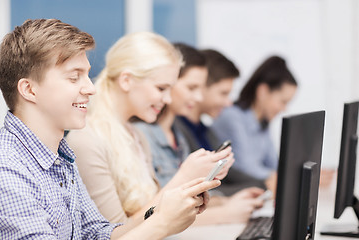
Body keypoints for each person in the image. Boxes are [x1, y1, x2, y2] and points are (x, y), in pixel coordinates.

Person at [0, 19, 221, 239]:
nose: (90, 88)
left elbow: (98, 233)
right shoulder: (0, 167)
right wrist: (162, 224)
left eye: (86, 76)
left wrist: (164, 211)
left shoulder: (61, 157)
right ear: (29, 90)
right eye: (74, 77)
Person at [66, 32, 233, 226]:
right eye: (161, 89)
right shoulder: (87, 141)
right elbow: (114, 233)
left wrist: (197, 181)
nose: (168, 99)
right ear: (126, 80)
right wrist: (184, 177)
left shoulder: (137, 137)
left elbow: (151, 213)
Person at [134, 43, 264, 225]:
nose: (198, 98)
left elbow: (190, 198)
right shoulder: (142, 137)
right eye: (191, 88)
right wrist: (224, 212)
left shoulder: (178, 136)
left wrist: (223, 202)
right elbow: (153, 213)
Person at [212, 55, 297, 181]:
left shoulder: (262, 123)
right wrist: (285, 177)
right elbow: (245, 167)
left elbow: (274, 164)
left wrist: (298, 174)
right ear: (262, 91)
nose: (284, 109)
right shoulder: (231, 116)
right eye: (283, 101)